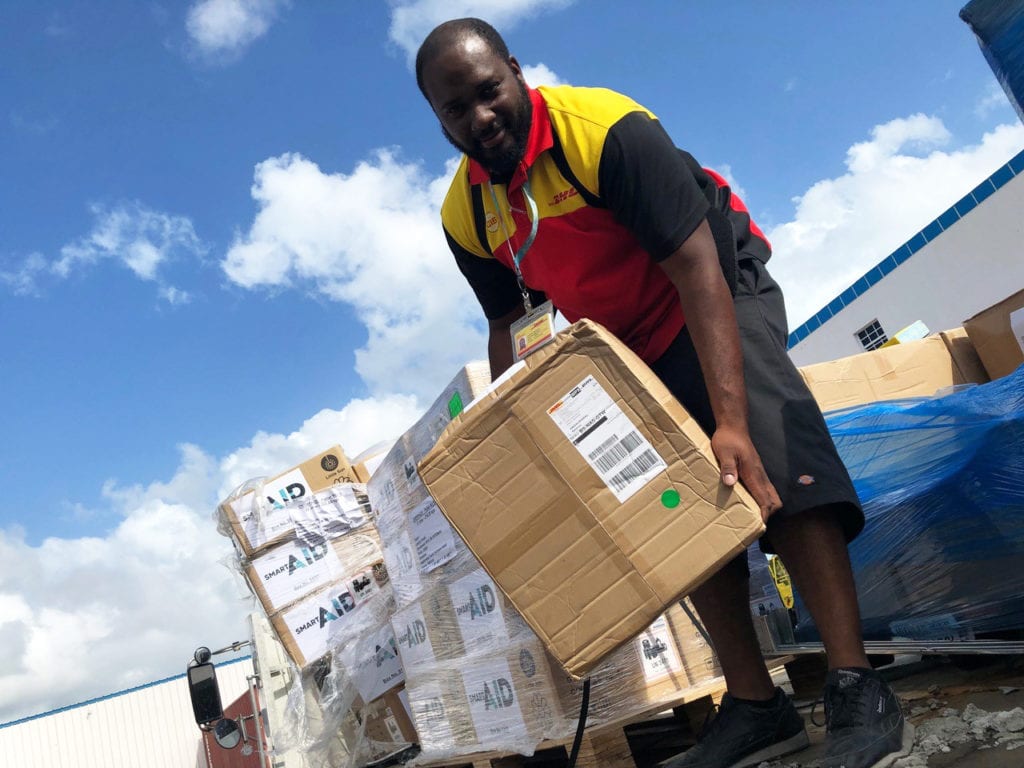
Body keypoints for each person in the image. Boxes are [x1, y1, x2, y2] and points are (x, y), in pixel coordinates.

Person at [416, 18, 912, 768]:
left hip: (712, 286)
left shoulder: (605, 130)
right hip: (617, 340)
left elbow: (696, 267)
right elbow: (509, 325)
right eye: (457, 109)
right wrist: (528, 447)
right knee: (663, 500)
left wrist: (733, 424)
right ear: (438, 118)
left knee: (771, 456)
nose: (480, 118)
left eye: (490, 92)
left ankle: (855, 685)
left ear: (516, 72)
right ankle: (755, 706)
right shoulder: (468, 215)